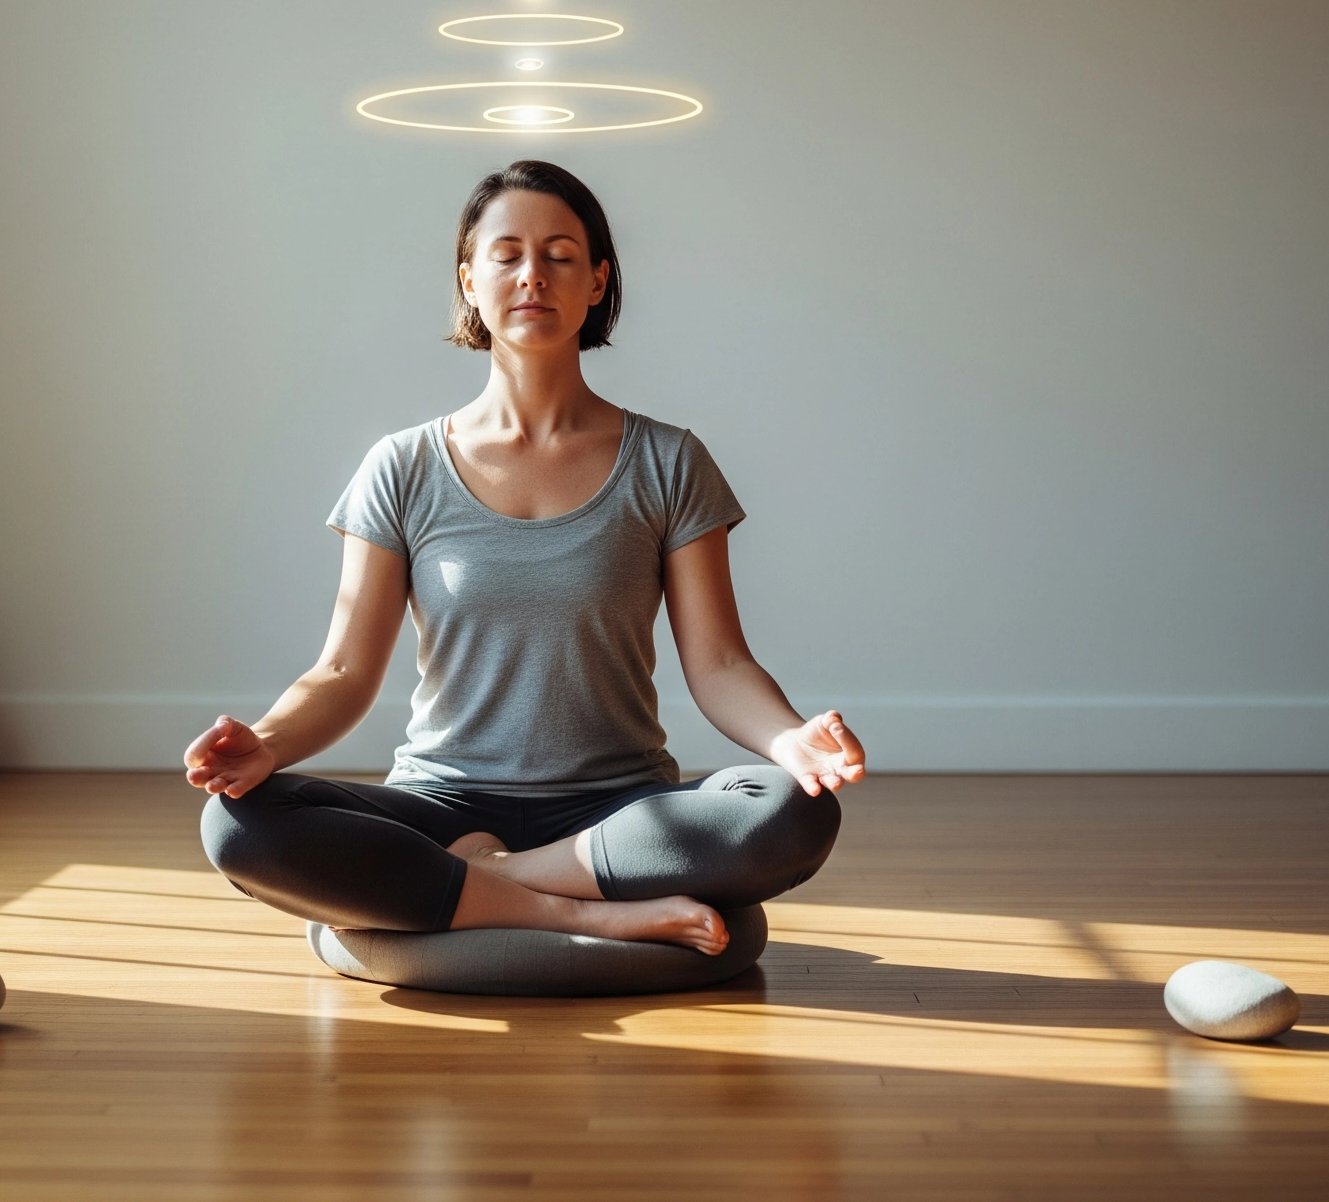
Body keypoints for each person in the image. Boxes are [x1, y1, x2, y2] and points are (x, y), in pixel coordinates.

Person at [186, 160, 865, 956]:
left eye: (560, 255)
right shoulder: (400, 467)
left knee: (795, 808)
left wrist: (789, 741)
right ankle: (578, 911)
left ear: (597, 280)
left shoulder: (669, 462)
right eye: (506, 255)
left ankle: (484, 882)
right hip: (441, 805)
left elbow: (719, 664)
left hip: (617, 812)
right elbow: (342, 673)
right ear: (469, 281)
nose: (532, 275)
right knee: (236, 824)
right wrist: (266, 743)